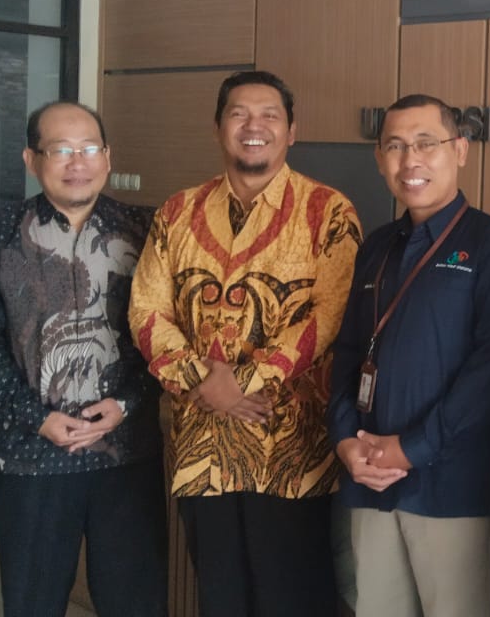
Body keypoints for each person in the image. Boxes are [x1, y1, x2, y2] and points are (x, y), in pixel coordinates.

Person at [129, 71, 361, 616]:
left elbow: (329, 316)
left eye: (269, 115)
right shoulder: (177, 212)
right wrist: (203, 381)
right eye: (239, 114)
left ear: (291, 131)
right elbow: (146, 310)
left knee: (293, 599)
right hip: (201, 446)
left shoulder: (328, 211)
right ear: (218, 128)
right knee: (221, 596)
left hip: (291, 452)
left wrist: (244, 382)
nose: (254, 126)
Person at [0, 100, 167, 617]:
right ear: (31, 159)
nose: (78, 162)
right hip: (30, 457)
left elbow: (165, 336)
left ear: (107, 157)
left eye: (89, 148)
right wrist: (37, 417)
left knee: (136, 602)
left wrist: (126, 402)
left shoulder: (146, 231)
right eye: (60, 150)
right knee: (33, 602)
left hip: (125, 453)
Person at [327, 93, 490, 617]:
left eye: (425, 143)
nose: (409, 160)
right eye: (395, 146)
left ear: (459, 150)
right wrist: (345, 439)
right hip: (370, 482)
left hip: (453, 490)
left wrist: (413, 448)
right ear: (380, 159)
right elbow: (348, 352)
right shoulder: (376, 247)